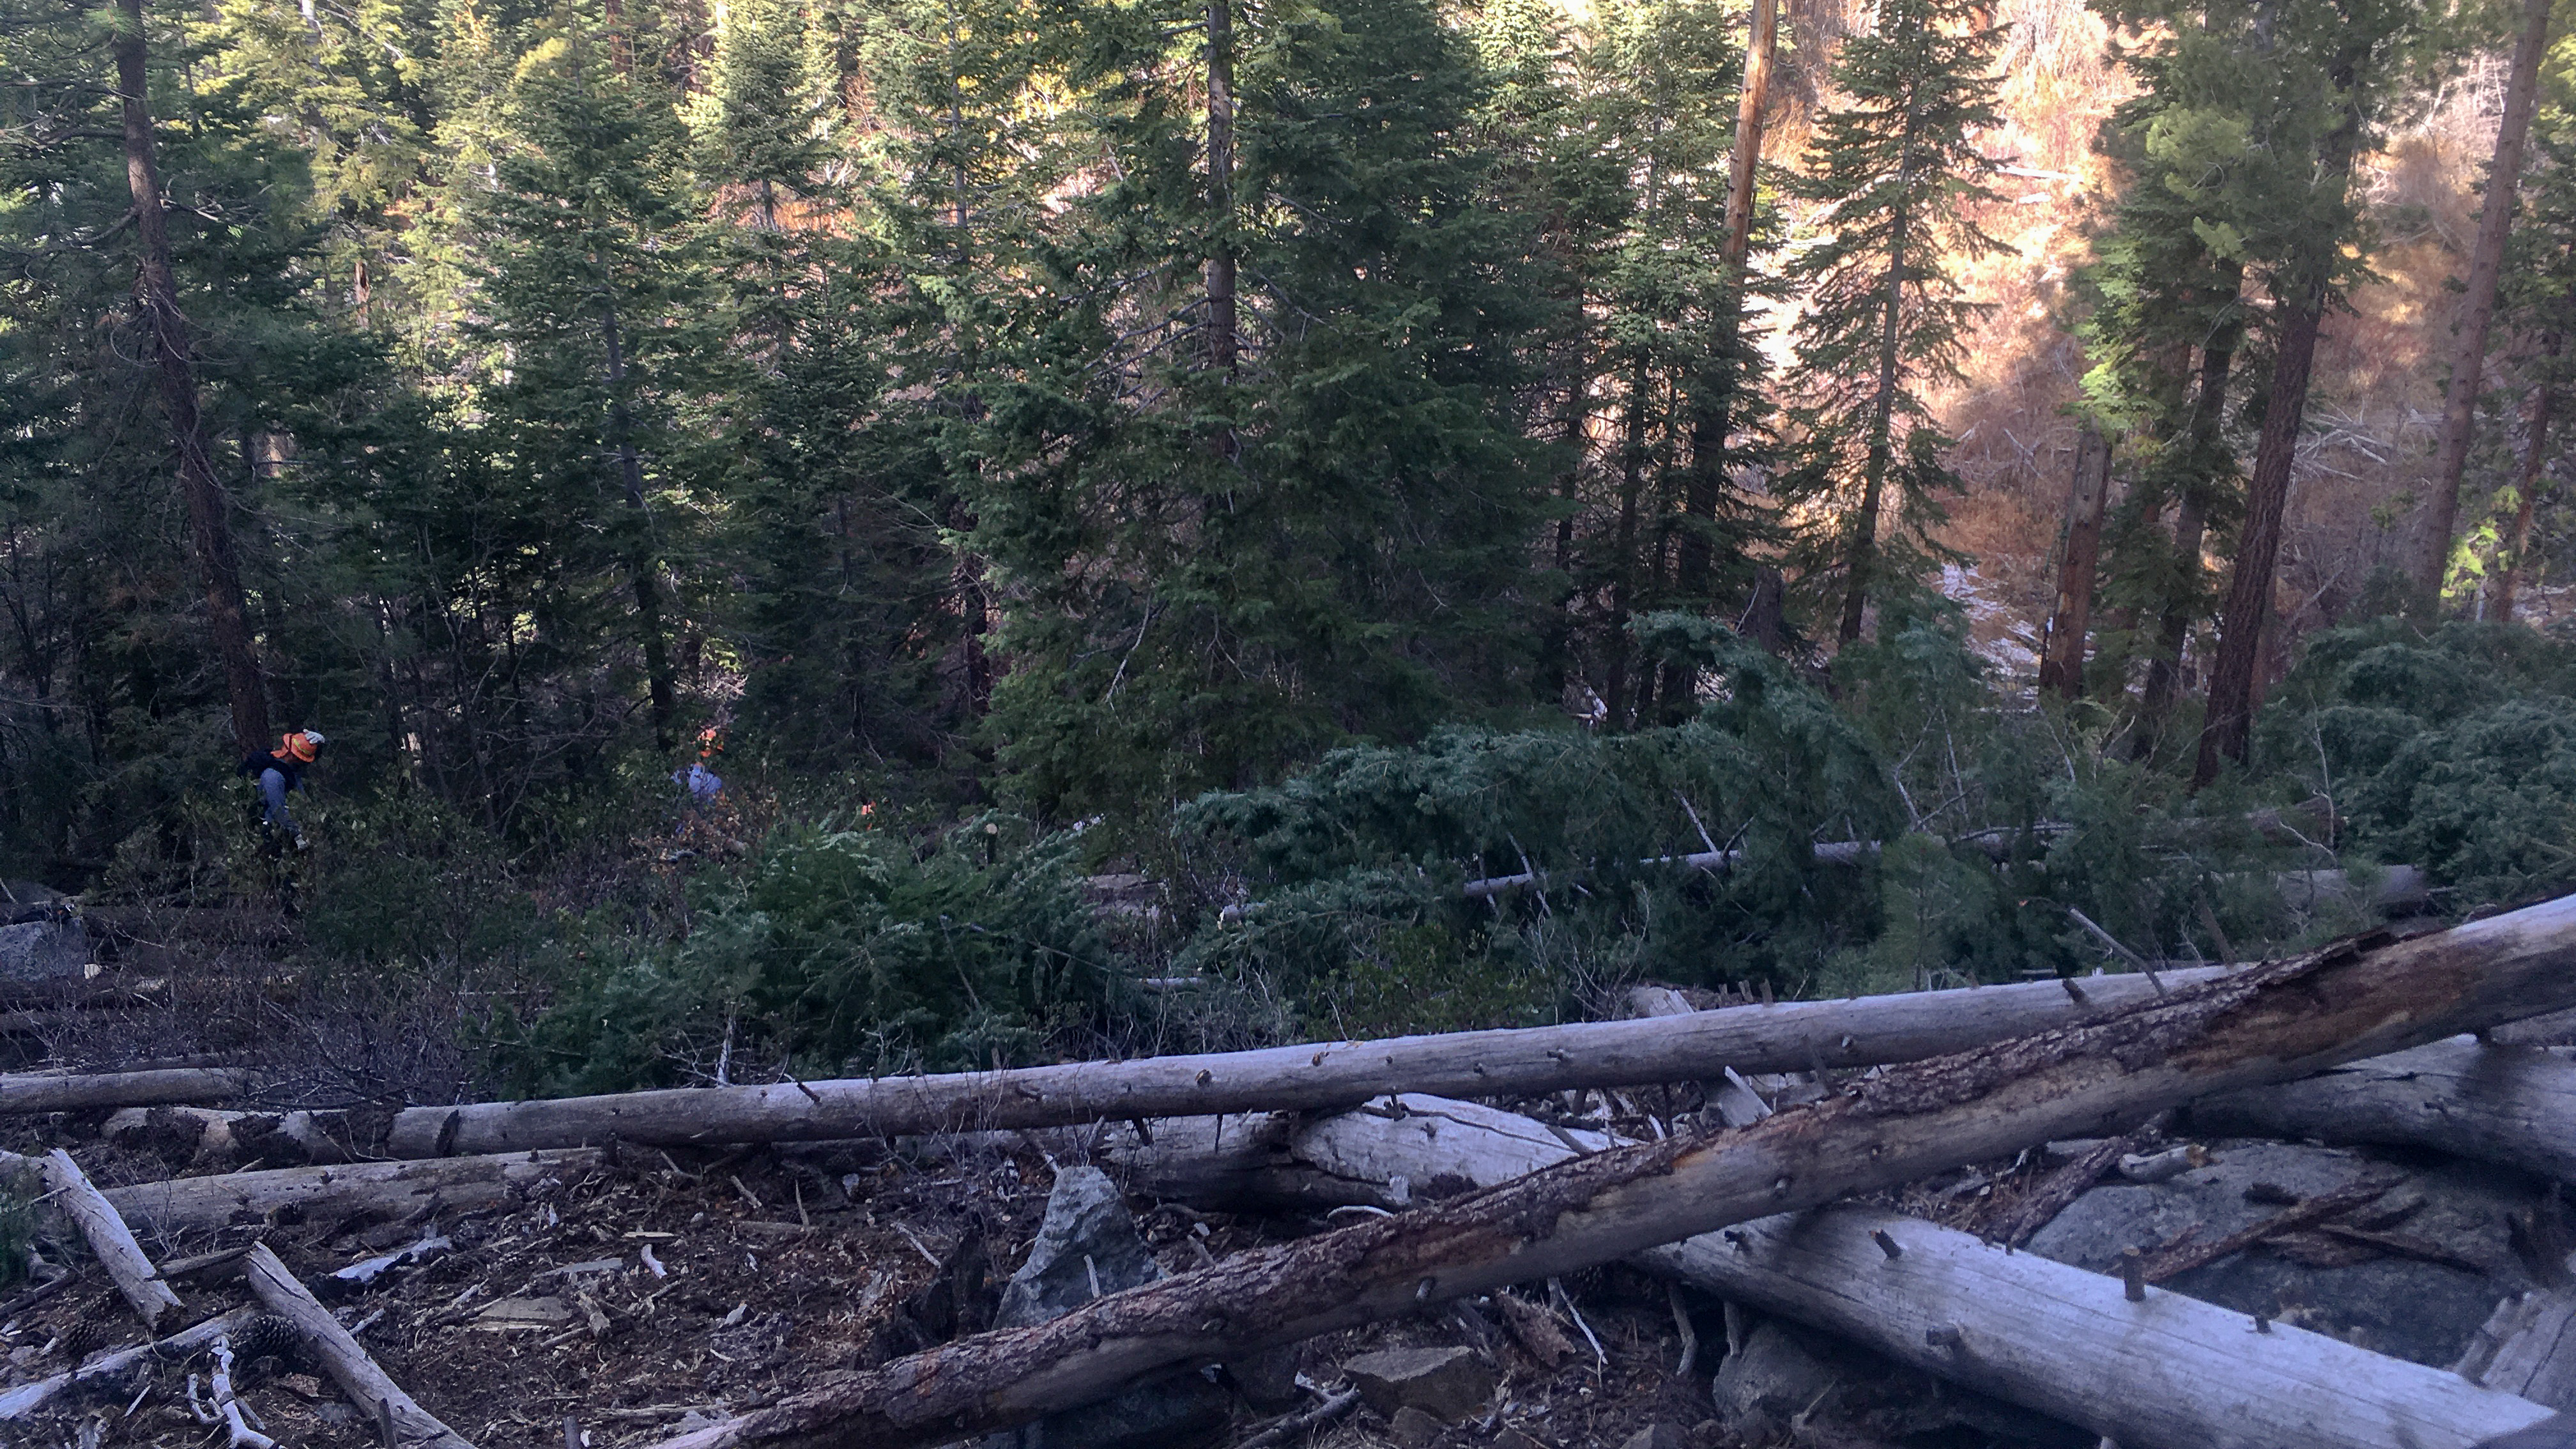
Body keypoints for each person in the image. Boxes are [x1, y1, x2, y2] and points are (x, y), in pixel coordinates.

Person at [237, 730, 325, 849]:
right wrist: (296, 835)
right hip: (272, 835)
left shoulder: (288, 768)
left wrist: (320, 744)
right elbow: (278, 810)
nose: (304, 763)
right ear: (294, 756)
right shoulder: (274, 776)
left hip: (287, 830)